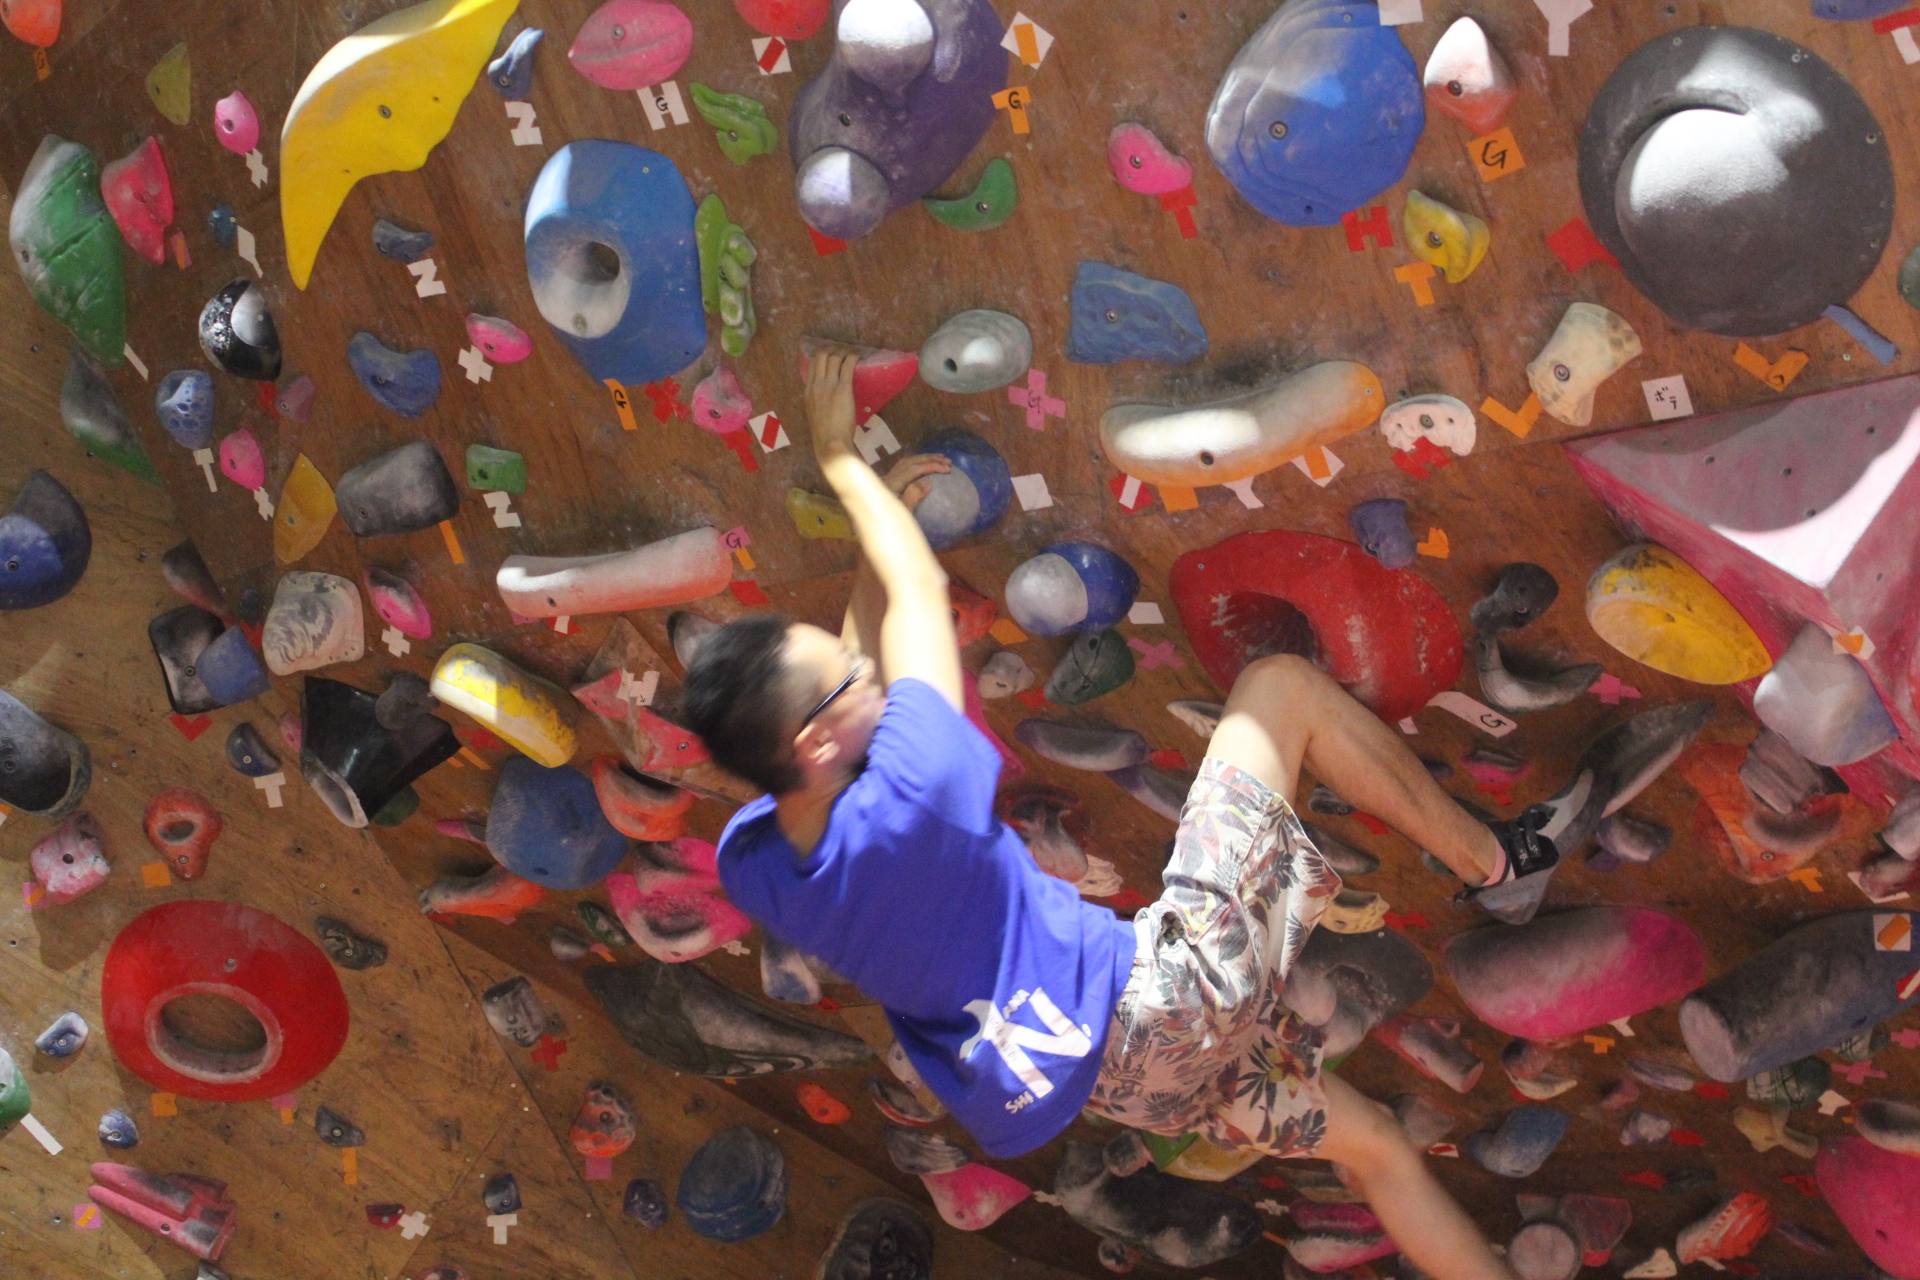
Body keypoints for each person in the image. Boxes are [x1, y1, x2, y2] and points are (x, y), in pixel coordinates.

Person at [684, 346, 1562, 1280]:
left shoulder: (756, 856)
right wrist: (840, 461)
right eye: (843, 683)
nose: (863, 675)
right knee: (1279, 686)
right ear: (815, 744)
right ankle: (1499, 864)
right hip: (1170, 1000)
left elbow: (860, 656)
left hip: (1129, 1088)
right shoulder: (915, 790)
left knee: (1379, 1146)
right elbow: (911, 600)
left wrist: (879, 531)